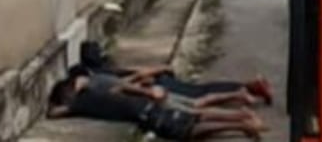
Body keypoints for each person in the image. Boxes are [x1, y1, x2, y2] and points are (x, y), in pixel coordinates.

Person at [47, 74, 267, 140]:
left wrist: (76, 88)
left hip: (144, 112)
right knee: (193, 117)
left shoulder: (81, 101)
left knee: (188, 127)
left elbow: (53, 113)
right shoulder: (90, 94)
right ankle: (240, 122)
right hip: (145, 107)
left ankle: (241, 123)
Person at [78, 41, 273, 105]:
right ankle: (249, 87)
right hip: (155, 82)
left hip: (156, 83)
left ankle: (247, 89)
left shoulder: (102, 74)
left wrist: (158, 70)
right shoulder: (102, 73)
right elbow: (132, 75)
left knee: (199, 94)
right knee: (200, 91)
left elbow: (133, 75)